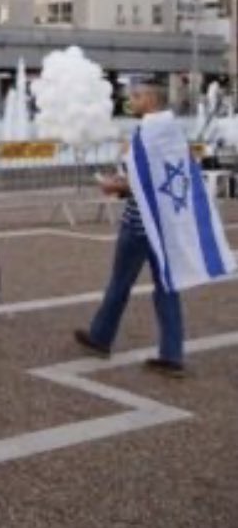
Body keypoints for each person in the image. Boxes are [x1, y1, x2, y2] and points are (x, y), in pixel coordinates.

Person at [74, 80, 188, 376]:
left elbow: (142, 180)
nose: (131, 101)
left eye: (136, 96)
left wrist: (115, 186)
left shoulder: (146, 132)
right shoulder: (173, 131)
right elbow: (168, 178)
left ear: (150, 98)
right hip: (166, 223)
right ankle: (172, 354)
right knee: (167, 288)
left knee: (120, 283)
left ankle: (101, 337)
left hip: (139, 223)